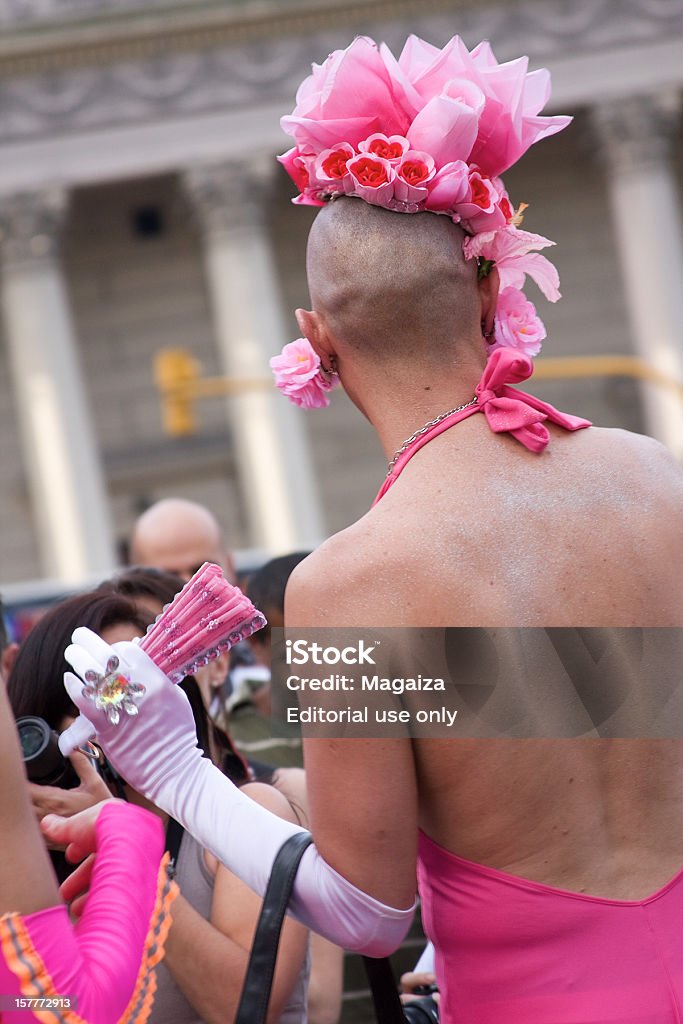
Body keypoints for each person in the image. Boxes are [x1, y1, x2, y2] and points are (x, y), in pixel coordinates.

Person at [54, 32, 683, 1024]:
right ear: (487, 289)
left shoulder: (355, 582)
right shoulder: (656, 476)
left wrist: (169, 765)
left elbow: (363, 908)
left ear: (315, 339)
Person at [10, 589, 310, 1024]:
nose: (116, 715)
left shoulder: (249, 813)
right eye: (94, 695)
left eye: (125, 692)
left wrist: (121, 848)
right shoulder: (37, 855)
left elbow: (244, 1007)